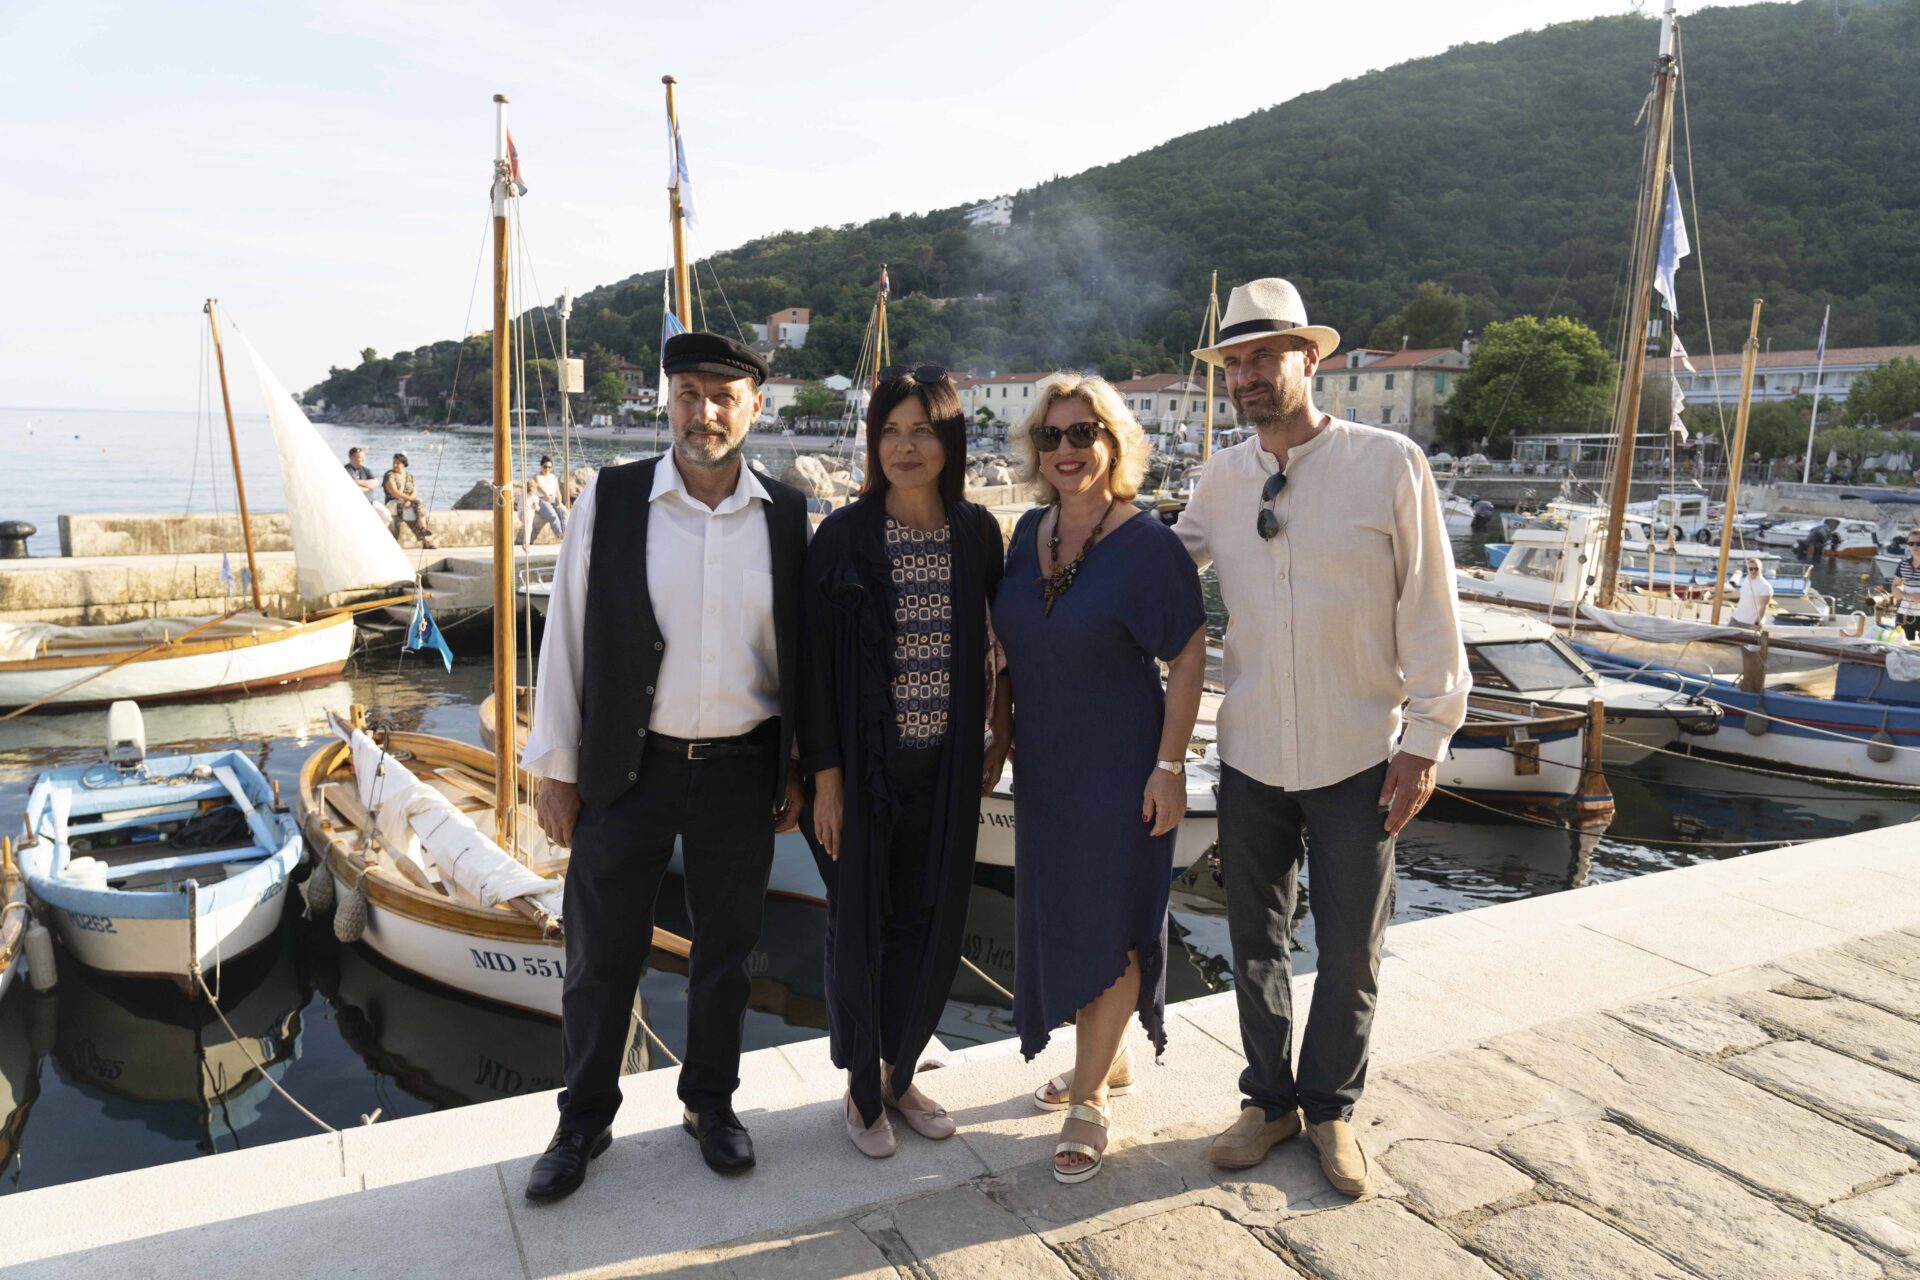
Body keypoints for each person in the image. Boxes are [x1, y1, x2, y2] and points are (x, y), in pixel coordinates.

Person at [1173, 278, 1470, 1199]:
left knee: (1350, 949)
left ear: (1312, 358)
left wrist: (1428, 736)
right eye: (1234, 362)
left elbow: (1430, 607)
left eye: (1265, 356)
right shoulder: (1221, 478)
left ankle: (1332, 1109)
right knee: (1254, 940)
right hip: (1252, 750)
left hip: (1360, 754)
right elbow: (1155, 571)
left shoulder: (1389, 463)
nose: (1248, 375)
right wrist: (1045, 567)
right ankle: (1269, 1103)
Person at [518, 332, 809, 1201]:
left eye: (724, 396)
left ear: (755, 408)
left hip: (741, 768)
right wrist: (555, 766)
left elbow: (801, 655)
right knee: (601, 953)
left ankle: (710, 1105)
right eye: (688, 393)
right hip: (625, 768)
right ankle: (582, 1121)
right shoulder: (609, 501)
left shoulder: (787, 517)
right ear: (667, 401)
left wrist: (796, 764)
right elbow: (564, 637)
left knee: (728, 950)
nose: (704, 411)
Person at [992, 373, 1207, 1185]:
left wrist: (1170, 766)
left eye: (1083, 434)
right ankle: (1105, 1061)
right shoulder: (1027, 535)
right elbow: (1013, 647)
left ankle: (1089, 1099)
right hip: (1046, 767)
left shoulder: (1148, 544)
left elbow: (1187, 654)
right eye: (1051, 437)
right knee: (1067, 918)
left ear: (1114, 443)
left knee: (1113, 921)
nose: (1066, 451)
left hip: (1123, 765)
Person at [799, 364, 1011, 1158]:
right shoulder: (844, 539)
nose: (905, 445)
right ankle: (860, 1092)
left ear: (949, 438)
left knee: (931, 920)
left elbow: (1000, 641)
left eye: (922, 429)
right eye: (890, 429)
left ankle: (900, 1073)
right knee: (860, 926)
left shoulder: (976, 534)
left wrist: (1001, 726)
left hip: (949, 769)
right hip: (862, 771)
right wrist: (825, 779)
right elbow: (813, 668)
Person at [383, 452, 435, 547]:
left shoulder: (409, 476)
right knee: (415, 509)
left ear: (403, 464)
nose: (395, 465)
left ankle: (423, 530)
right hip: (393, 502)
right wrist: (409, 499)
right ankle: (426, 539)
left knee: (418, 505)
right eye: (394, 462)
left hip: (408, 501)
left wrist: (408, 501)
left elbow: (414, 491)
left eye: (397, 463)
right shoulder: (389, 475)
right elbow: (394, 492)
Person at [522, 455, 568, 546]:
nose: (547, 469)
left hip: (553, 498)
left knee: (564, 512)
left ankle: (567, 534)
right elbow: (539, 486)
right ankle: (560, 535)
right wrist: (545, 494)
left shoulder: (553, 477)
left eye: (549, 467)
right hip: (542, 499)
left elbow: (558, 491)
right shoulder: (536, 476)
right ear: (541, 466)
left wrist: (559, 499)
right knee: (553, 515)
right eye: (545, 467)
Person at [1731, 557, 1775, 629]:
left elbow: (1764, 607)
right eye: (1750, 569)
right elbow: (1741, 593)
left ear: (1761, 569)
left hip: (1750, 623)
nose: (1753, 571)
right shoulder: (1747, 579)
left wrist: (1756, 623)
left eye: (1756, 569)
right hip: (1736, 619)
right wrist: (1722, 595)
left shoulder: (1765, 586)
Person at [1896, 531, 1920, 642]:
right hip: (1903, 614)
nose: (1914, 546)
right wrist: (1898, 591)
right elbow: (1896, 584)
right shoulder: (1903, 564)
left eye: (1918, 543)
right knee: (1900, 647)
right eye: (1911, 543)